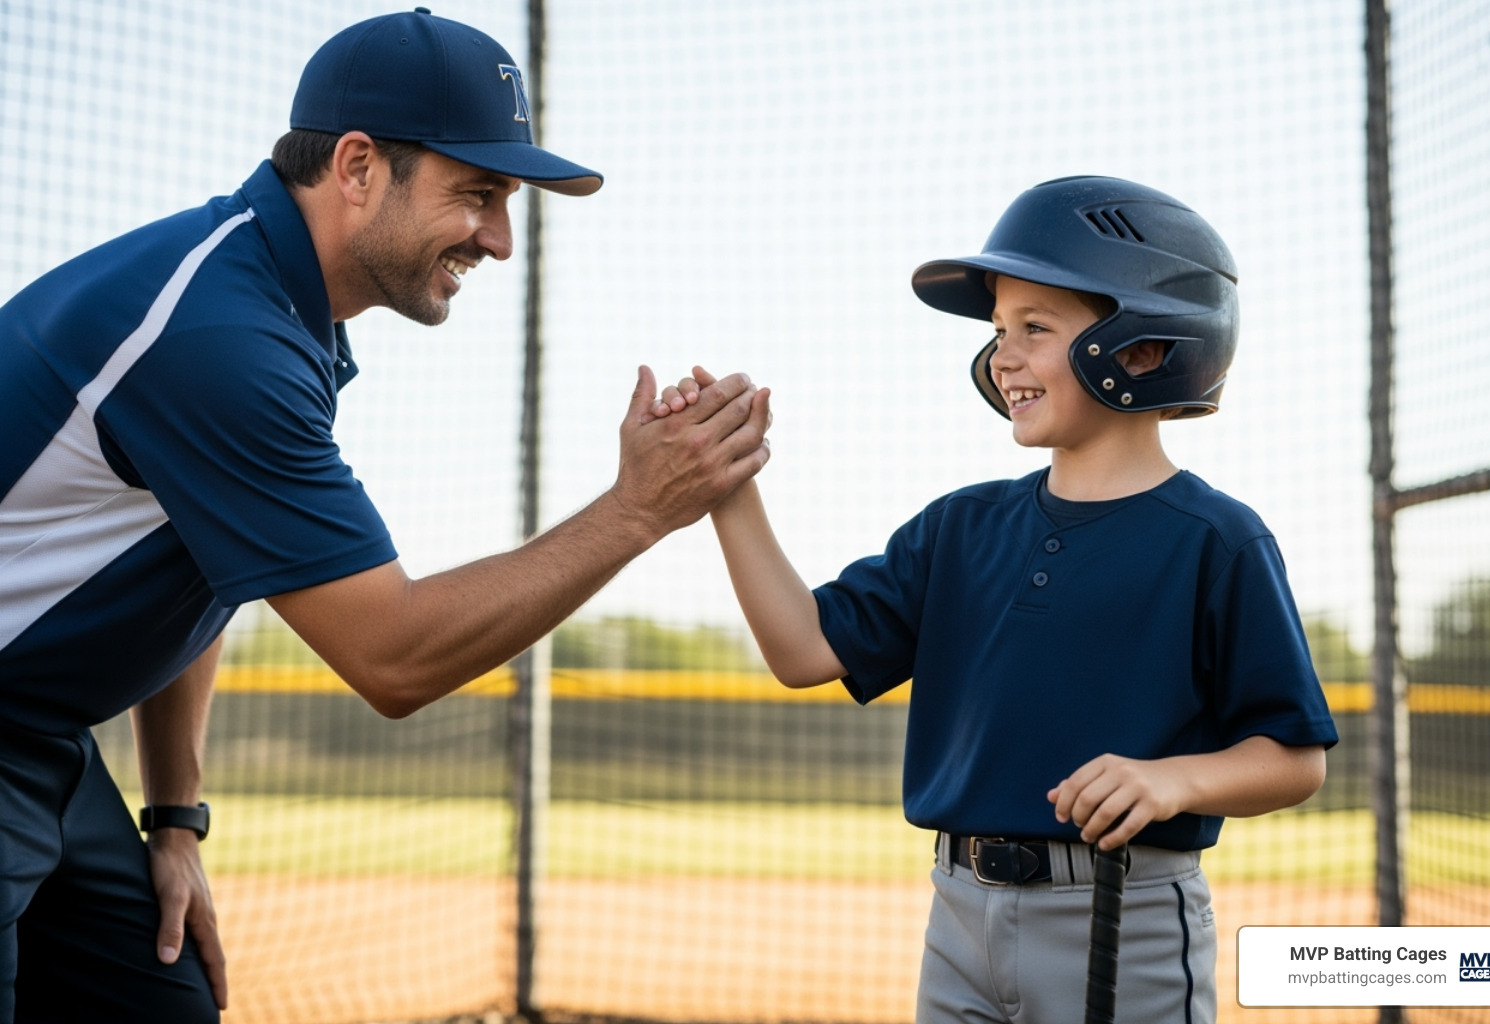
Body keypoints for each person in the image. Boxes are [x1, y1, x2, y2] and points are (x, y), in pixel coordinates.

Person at [0, 10, 769, 1023]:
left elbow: (209, 564)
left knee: (162, 997)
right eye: (478, 194)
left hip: (36, 732)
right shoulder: (219, 336)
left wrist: (177, 819)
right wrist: (637, 510)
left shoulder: (274, 308)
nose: (499, 237)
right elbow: (395, 659)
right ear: (358, 165)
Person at [656, 176, 1337, 1022]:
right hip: (957, 913)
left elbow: (1294, 758)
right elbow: (802, 650)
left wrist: (1173, 782)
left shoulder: (1215, 539)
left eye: (1035, 329)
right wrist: (729, 490)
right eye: (998, 332)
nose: (1002, 357)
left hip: (1122, 919)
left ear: (1143, 348)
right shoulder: (962, 527)